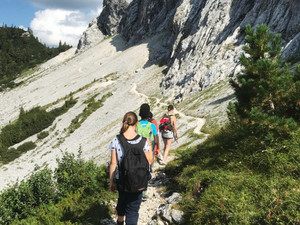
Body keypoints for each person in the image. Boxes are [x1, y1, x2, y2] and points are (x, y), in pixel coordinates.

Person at [109, 112, 152, 225]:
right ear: (136, 123)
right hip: (138, 181)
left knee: (122, 201)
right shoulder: (143, 141)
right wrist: (149, 145)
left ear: (124, 122)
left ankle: (120, 221)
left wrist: (111, 182)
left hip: (122, 180)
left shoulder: (116, 140)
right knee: (133, 210)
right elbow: (149, 160)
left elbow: (113, 163)